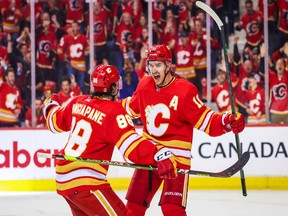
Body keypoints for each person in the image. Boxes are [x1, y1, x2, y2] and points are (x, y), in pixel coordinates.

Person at [120, 44, 245, 215]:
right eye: (151, 65)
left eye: (158, 65)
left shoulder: (184, 91)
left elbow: (208, 122)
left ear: (168, 66)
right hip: (150, 153)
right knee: (133, 206)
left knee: (171, 209)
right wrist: (104, 107)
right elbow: (128, 109)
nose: (153, 69)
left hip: (176, 159)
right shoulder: (144, 85)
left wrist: (228, 122)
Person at [42, 64, 178, 216]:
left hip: (64, 180)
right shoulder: (113, 111)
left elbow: (54, 123)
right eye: (116, 85)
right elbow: (131, 147)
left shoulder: (78, 102)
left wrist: (50, 106)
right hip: (86, 181)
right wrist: (158, 154)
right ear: (112, 88)